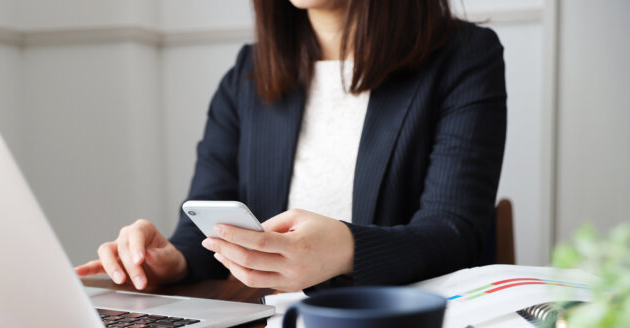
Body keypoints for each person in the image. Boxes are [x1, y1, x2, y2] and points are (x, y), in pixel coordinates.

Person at [75, 0, 506, 293]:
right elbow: (205, 226)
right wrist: (172, 260)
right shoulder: (248, 73)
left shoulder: (465, 57)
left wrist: (346, 250)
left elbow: (454, 234)